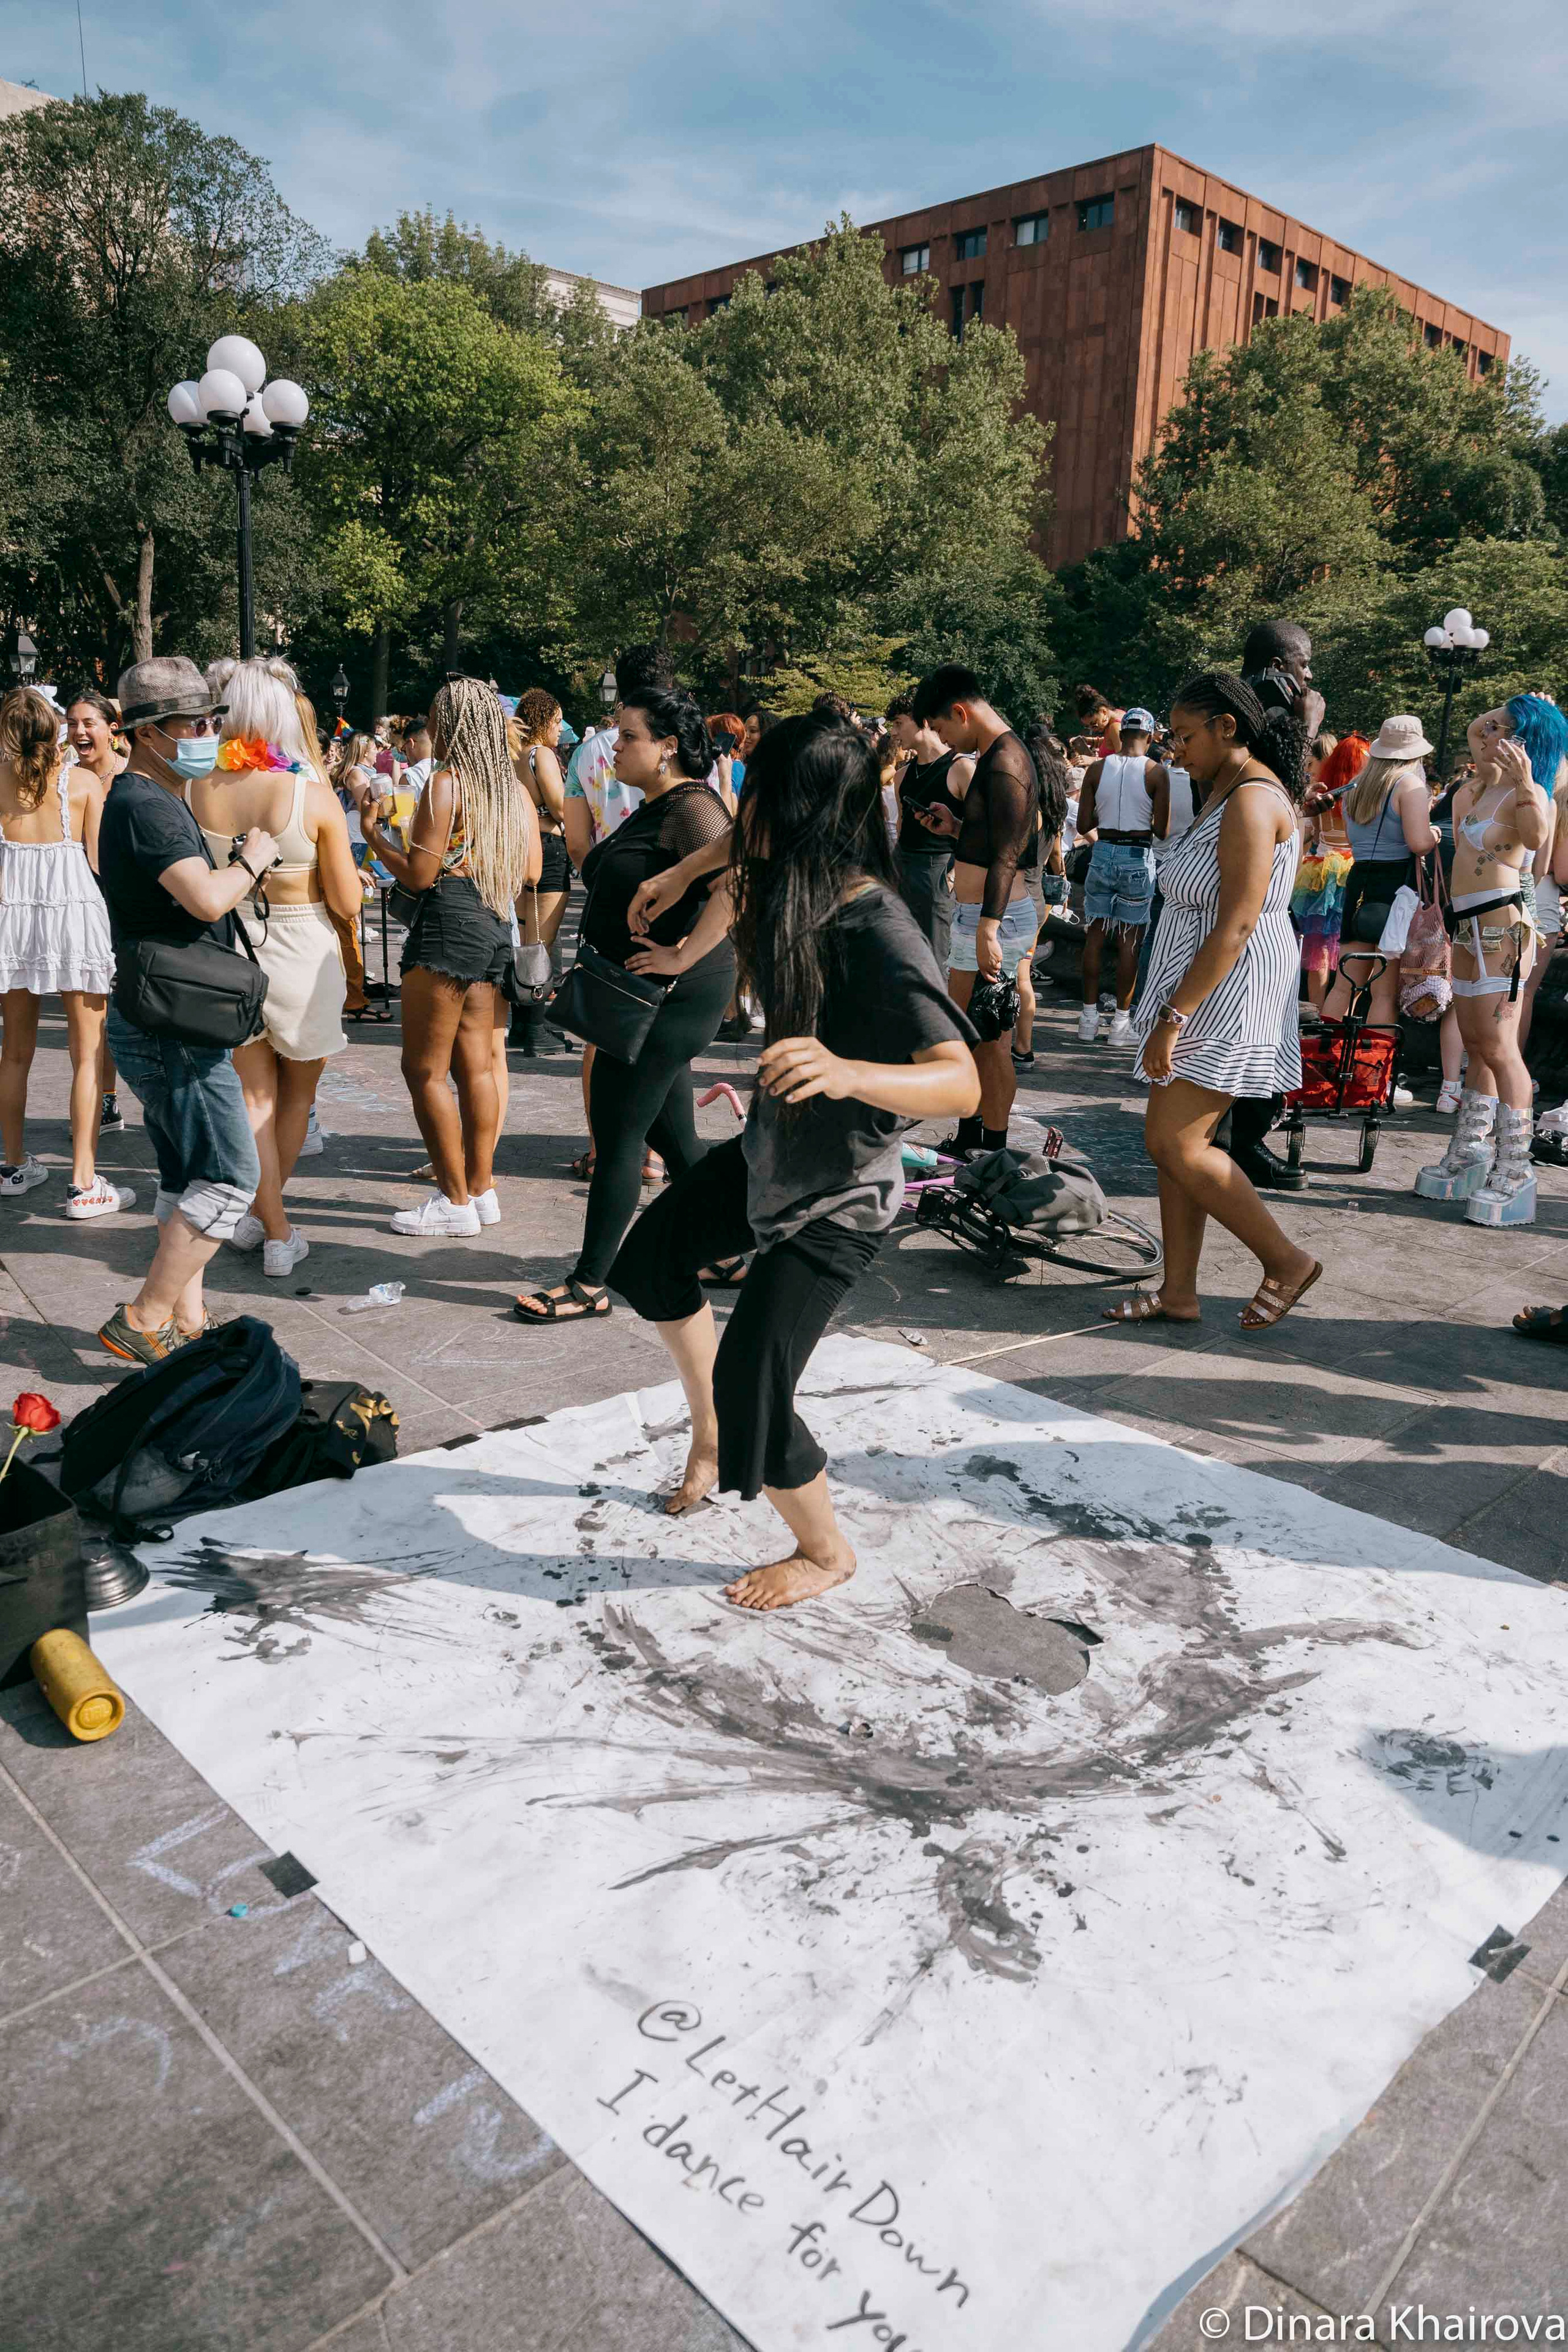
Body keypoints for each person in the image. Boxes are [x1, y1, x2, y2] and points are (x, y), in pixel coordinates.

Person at [608, 714, 980, 1607]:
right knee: (652, 1263)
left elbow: (962, 1085)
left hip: (842, 1197)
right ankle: (710, 1436)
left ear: (801, 811)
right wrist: (679, 889)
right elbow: (738, 867)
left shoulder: (876, 924)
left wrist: (849, 1069)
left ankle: (824, 1551)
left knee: (755, 1385)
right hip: (772, 1154)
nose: (744, 808)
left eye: (761, 793)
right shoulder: (782, 876)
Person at [1105, 672, 1322, 1334]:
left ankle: (1285, 1261)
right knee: (1180, 1146)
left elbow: (1236, 924)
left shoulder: (1252, 800)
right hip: (1200, 980)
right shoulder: (1222, 790)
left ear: (1228, 727)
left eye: (1185, 734)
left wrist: (1174, 1016)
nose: (1174, 748)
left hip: (1227, 987)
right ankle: (1179, 1292)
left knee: (1173, 1142)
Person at [514, 686, 734, 1322]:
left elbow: (740, 878)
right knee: (675, 1133)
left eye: (628, 734)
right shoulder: (658, 804)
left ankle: (589, 1284)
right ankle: (726, 1248)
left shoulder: (692, 806)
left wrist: (684, 954)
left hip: (667, 994)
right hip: (644, 992)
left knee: (618, 1136)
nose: (614, 744)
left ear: (667, 748)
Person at [94, 657, 274, 1361]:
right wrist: (252, 860)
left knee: (187, 1177)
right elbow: (204, 899)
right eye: (192, 723)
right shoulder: (146, 804)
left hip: (164, 1014)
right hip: (172, 1026)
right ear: (146, 733)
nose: (206, 734)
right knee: (232, 1178)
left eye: (211, 721)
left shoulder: (150, 797)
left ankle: (186, 1324)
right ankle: (143, 1318)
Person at [181, 660, 360, 1279]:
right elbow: (347, 901)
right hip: (301, 947)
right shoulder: (309, 796)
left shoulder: (196, 788)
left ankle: (266, 1221)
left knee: (253, 1098)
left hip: (228, 947)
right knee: (296, 1098)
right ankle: (279, 1234)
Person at [362, 677, 538, 1236]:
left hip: (448, 923)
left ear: (452, 724)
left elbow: (419, 873)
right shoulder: (510, 790)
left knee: (424, 1070)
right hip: (491, 921)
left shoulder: (447, 783)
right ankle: (481, 1191)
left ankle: (453, 1200)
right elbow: (530, 871)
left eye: (435, 717)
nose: (428, 727)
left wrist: (375, 836)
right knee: (476, 1066)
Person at [1413, 694, 1563, 1226]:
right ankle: (1472, 1149)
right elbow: (1477, 728)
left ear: (1527, 743)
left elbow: (1539, 840)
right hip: (1465, 926)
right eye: (1495, 727)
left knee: (1500, 1048)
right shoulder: (1474, 789)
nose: (1491, 733)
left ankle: (1516, 1167)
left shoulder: (1531, 794)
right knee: (1476, 1043)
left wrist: (1527, 779)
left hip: (1504, 928)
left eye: (1508, 729)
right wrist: (1511, 707)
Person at [0, 687, 127, 1219]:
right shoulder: (80, 783)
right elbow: (101, 863)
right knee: (87, 1053)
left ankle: (11, 1164)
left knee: (14, 1051)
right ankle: (83, 1181)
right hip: (73, 914)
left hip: (13, 916)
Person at [910, 664, 1039, 1157]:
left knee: (991, 1040)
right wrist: (954, 828)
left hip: (992, 920)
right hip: (980, 917)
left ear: (961, 712)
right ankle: (971, 1139)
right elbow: (991, 842)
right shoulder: (993, 755)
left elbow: (1011, 854)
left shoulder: (1007, 760)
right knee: (971, 1035)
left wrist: (988, 926)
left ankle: (993, 1147)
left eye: (943, 729)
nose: (943, 740)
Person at [562, 647, 676, 1174]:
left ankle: (603, 1146)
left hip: (611, 900)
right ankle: (655, 1150)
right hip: (676, 906)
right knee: (664, 1032)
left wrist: (603, 885)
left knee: (603, 1027)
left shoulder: (588, 754)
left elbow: (578, 842)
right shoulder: (680, 747)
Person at [1322, 717, 1440, 1031]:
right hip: (1397, 885)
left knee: (1344, 983)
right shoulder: (1410, 786)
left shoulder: (1356, 787)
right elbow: (1419, 843)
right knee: (1384, 991)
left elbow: (1351, 839)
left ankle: (1324, 1058)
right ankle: (1374, 1069)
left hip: (1360, 880)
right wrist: (1436, 835)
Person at [1074, 706, 1170, 1046]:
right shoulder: (1157, 773)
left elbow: (1084, 824)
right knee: (1130, 940)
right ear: (1149, 735)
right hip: (1137, 854)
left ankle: (1087, 1019)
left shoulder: (1098, 769)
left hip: (1103, 852)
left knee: (1096, 936)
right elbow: (1161, 829)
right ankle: (1120, 1026)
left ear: (1122, 732)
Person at [65, 687, 130, 1135]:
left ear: (113, 728)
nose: (79, 731)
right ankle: (105, 1103)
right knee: (97, 1013)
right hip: (86, 907)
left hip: (134, 902)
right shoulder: (63, 780)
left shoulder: (133, 776)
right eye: (72, 723)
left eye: (88, 722)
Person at [884, 690, 973, 970]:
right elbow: (900, 826)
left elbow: (979, 829)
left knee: (933, 961)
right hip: (903, 866)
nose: (894, 732)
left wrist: (955, 873)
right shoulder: (902, 775)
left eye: (898, 723)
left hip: (938, 870)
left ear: (922, 720)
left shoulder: (961, 768)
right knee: (900, 958)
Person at [509, 690, 573, 1055]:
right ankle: (535, 1029)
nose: (561, 729)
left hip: (520, 850)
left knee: (524, 938)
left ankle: (522, 1025)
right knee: (540, 944)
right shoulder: (541, 755)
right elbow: (561, 808)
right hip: (547, 851)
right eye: (557, 721)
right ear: (544, 721)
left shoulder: (514, 755)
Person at [1014, 724, 1072, 1067]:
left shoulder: (1028, 812)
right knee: (1023, 973)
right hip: (1038, 900)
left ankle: (1021, 1046)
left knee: (1019, 975)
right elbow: (1057, 862)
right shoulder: (1053, 813)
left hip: (1019, 899)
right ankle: (1023, 1045)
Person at [1293, 731, 1363, 1012]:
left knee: (1318, 950)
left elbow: (1316, 833)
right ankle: (1343, 1014)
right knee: (1354, 948)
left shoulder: (1323, 792)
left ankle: (1314, 1013)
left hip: (1319, 872)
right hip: (1350, 869)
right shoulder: (1358, 796)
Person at [1075, 685, 1123, 755]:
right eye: (1088, 727)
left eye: (1094, 724)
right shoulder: (1118, 713)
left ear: (1103, 712)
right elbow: (1110, 743)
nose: (1093, 729)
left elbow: (1123, 760)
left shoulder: (1115, 727)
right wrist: (1088, 741)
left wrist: (1092, 760)